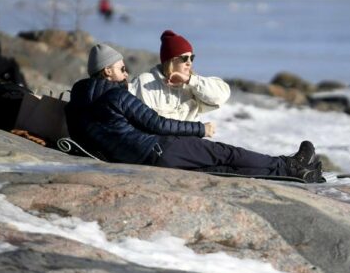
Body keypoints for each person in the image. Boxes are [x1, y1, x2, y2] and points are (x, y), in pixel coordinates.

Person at [65, 43, 323, 182]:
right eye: (121, 69)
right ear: (107, 70)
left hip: (136, 157)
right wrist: (201, 129)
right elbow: (158, 124)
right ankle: (291, 165)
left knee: (222, 168)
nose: (126, 74)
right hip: (157, 151)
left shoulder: (76, 101)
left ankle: (292, 173)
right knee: (226, 153)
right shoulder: (116, 95)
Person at [131, 30, 230, 121]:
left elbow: (222, 96)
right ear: (170, 61)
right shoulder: (144, 82)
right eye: (184, 58)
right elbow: (142, 120)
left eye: (192, 58)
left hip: (190, 139)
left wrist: (190, 80)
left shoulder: (192, 85)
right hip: (159, 139)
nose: (189, 62)